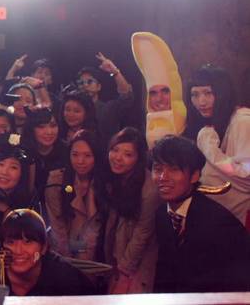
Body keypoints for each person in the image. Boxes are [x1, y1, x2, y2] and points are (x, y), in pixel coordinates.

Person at [151, 135, 250, 293]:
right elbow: (165, 271)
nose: (163, 177)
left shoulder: (221, 224)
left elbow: (238, 281)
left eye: (174, 169)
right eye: (158, 169)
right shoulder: (161, 214)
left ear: (195, 176)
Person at [188, 65, 250, 225]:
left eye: (208, 93)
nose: (201, 102)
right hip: (219, 212)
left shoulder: (243, 121)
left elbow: (247, 176)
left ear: (223, 93)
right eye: (195, 94)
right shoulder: (215, 122)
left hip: (240, 217)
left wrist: (209, 148)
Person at [102, 127, 159, 294]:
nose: (118, 158)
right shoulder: (116, 179)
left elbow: (142, 233)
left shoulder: (149, 189)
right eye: (115, 150)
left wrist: (124, 270)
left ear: (139, 158)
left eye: (128, 154)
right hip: (117, 257)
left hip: (136, 264)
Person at [0, 209, 94, 296]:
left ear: (44, 248)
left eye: (28, 242)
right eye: (11, 242)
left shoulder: (66, 278)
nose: (18, 250)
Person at [45, 130, 105, 262]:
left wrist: (81, 258)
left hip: (93, 250)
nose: (80, 161)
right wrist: (68, 259)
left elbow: (93, 229)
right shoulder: (56, 180)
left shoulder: (103, 183)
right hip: (61, 248)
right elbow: (57, 226)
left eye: (87, 155)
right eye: (75, 155)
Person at [0, 133, 37, 247]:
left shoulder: (29, 205)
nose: (4, 172)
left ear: (22, 173)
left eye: (13, 167)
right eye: (0, 164)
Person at [76, 53, 133, 144]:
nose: (85, 85)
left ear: (99, 86)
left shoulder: (108, 109)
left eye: (89, 81)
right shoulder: (74, 111)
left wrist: (115, 72)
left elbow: (126, 97)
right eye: (81, 83)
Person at [22, 106, 67, 193]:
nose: (49, 132)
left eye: (53, 126)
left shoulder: (66, 152)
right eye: (41, 127)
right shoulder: (23, 153)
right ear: (31, 129)